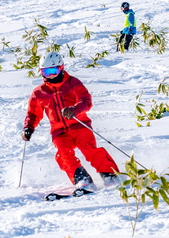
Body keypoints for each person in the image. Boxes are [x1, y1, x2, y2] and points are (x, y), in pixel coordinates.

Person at [22, 51, 120, 191]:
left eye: (53, 71)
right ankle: (81, 179)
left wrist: (75, 109)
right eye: (46, 72)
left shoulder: (72, 83)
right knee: (63, 154)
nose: (50, 75)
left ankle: (110, 175)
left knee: (89, 149)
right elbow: (33, 113)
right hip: (59, 132)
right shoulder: (39, 92)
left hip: (80, 126)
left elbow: (86, 100)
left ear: (61, 68)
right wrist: (29, 127)